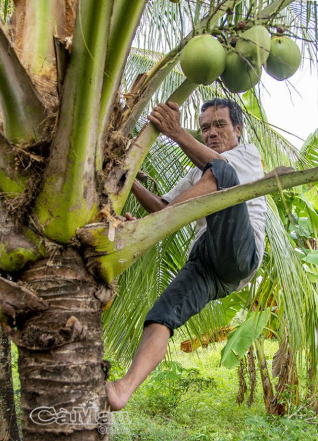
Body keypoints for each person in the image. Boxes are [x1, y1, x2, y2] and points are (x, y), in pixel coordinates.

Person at [106, 98, 267, 411]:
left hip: (240, 253)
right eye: (205, 127)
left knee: (222, 173)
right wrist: (127, 177)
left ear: (238, 129)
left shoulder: (245, 155)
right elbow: (164, 209)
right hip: (208, 265)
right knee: (161, 316)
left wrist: (175, 132)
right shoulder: (197, 176)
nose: (211, 133)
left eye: (220, 125)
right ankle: (122, 390)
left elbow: (222, 171)